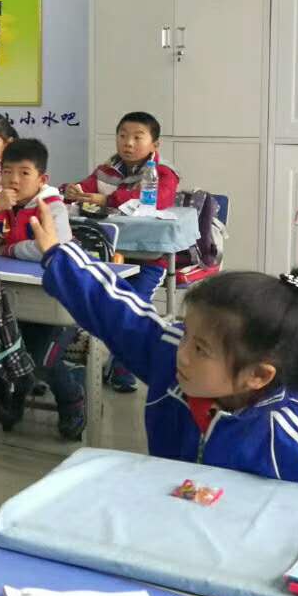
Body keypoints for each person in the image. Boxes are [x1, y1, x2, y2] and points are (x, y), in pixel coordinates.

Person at [30, 201, 298, 496]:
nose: (182, 353)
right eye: (186, 334)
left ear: (258, 375)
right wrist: (60, 256)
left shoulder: (291, 435)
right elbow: (116, 312)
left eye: (201, 349)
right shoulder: (176, 359)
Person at [0, 138, 84, 439]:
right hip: (12, 305)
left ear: (42, 179)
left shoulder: (52, 206)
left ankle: (71, 398)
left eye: (24, 173)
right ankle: (15, 395)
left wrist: (8, 249)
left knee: (40, 358)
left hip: (56, 303)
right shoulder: (0, 204)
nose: (14, 180)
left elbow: (50, 246)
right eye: (7, 172)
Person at [63, 111, 180, 393]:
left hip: (148, 258)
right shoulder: (107, 170)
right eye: (123, 136)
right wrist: (73, 191)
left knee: (133, 310)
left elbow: (158, 199)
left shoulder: (163, 173)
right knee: (88, 304)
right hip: (110, 256)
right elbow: (85, 188)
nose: (128, 143)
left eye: (138, 137)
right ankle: (78, 363)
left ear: (155, 144)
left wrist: (108, 199)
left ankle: (122, 366)